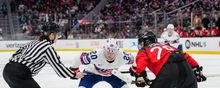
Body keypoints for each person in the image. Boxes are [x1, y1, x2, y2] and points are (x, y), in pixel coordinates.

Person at [2, 22, 84, 88]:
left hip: (7, 70)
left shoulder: (34, 42)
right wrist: (74, 74)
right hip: (20, 74)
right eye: (57, 34)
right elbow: (59, 69)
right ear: (51, 35)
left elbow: (17, 53)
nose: (58, 37)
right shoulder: (47, 47)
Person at [130, 31, 206, 88]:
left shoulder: (144, 50)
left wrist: (139, 74)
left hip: (168, 70)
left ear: (144, 42)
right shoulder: (166, 45)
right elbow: (185, 55)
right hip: (186, 69)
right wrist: (196, 69)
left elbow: (141, 63)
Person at [70, 38, 134, 88]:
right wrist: (75, 70)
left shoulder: (123, 56)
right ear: (103, 49)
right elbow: (78, 58)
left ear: (117, 51)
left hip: (112, 74)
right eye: (108, 51)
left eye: (113, 51)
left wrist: (136, 70)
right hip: (92, 74)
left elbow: (135, 60)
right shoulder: (96, 55)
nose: (110, 54)